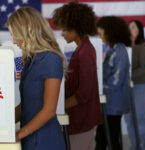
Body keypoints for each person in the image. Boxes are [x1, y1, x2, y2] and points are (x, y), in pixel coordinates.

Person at [6, 7, 66, 150]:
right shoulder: (31, 60)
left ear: (29, 32)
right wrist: (5, 123)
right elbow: (25, 105)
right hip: (30, 137)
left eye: (16, 36)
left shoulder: (51, 59)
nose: (14, 41)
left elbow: (49, 110)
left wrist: (19, 134)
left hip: (45, 140)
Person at [52, 2, 103, 150]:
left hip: (82, 120)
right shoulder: (83, 49)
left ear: (77, 28)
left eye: (66, 30)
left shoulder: (85, 52)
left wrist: (57, 107)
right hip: (82, 119)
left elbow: (83, 94)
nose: (62, 33)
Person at [95, 16, 131, 150]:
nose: (100, 36)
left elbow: (116, 80)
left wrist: (98, 88)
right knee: (103, 138)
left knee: (110, 139)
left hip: (113, 104)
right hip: (109, 103)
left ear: (110, 31)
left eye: (100, 33)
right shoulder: (113, 50)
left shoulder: (119, 51)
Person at [125, 20, 145, 150]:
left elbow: (142, 68)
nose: (131, 30)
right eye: (129, 28)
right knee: (129, 119)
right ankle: (135, 146)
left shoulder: (144, 46)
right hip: (127, 88)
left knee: (140, 117)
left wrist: (125, 77)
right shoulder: (126, 46)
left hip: (140, 86)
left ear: (139, 29)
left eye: (134, 27)